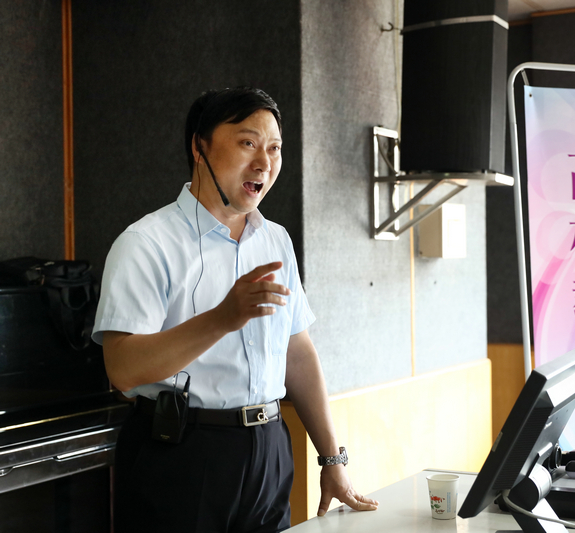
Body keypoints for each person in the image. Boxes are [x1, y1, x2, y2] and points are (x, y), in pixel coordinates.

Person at [92, 87, 378, 532]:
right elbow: (123, 370)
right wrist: (222, 319)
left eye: (274, 148)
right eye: (248, 143)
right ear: (199, 147)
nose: (264, 162)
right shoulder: (145, 243)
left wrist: (332, 459)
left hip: (269, 448)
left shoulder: (275, 239)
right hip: (181, 453)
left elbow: (297, 352)